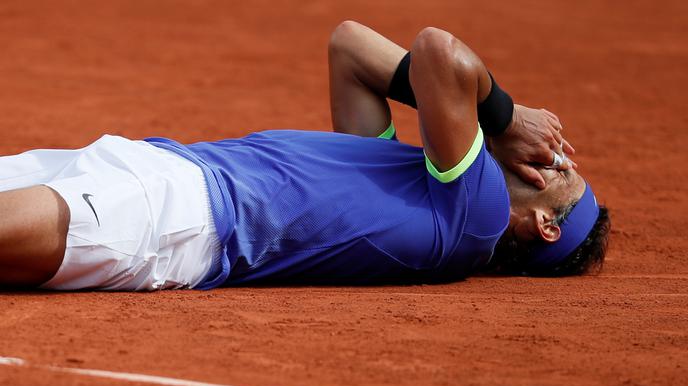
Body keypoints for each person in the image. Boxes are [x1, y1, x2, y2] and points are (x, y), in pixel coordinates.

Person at [0, 21, 609, 291]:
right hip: (156, 166)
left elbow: (440, 54)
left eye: (561, 173)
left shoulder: (473, 219)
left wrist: (503, 119)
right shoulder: (415, 186)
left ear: (543, 224)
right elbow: (349, 49)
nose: (554, 156)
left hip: (177, 218)